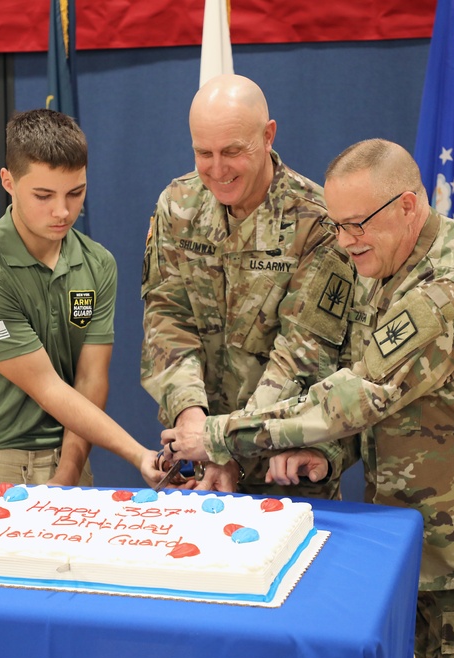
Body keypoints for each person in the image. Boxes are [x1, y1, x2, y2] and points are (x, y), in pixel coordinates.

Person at [162, 138, 454, 658]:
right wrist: (330, 456)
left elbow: (355, 397)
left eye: (359, 224)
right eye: (337, 225)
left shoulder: (453, 291)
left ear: (407, 205)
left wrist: (218, 435)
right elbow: (397, 404)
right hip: (423, 548)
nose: (346, 242)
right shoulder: (385, 269)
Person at [140, 74, 354, 498]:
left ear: (268, 135)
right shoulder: (177, 205)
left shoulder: (316, 221)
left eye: (233, 151)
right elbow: (166, 317)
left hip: (287, 466)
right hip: (196, 463)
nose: (217, 170)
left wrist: (226, 445)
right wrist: (189, 414)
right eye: (204, 153)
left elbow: (303, 354)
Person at [0, 108, 162, 495]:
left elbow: (90, 378)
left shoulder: (98, 263)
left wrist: (70, 467)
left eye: (75, 193)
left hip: (72, 459)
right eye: (43, 195)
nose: (63, 211)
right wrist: (137, 454)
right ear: (8, 182)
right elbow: (47, 386)